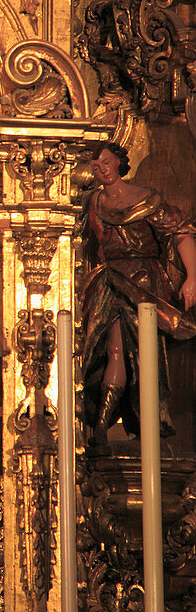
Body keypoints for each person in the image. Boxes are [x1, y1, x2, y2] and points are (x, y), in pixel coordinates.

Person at [81, 141, 196, 442]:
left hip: (144, 282)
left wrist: (192, 278)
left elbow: (181, 233)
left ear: (118, 162)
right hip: (109, 282)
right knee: (111, 350)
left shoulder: (146, 199)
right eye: (95, 167)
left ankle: (147, 418)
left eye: (106, 162)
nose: (101, 170)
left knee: (144, 352)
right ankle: (102, 425)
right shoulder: (93, 204)